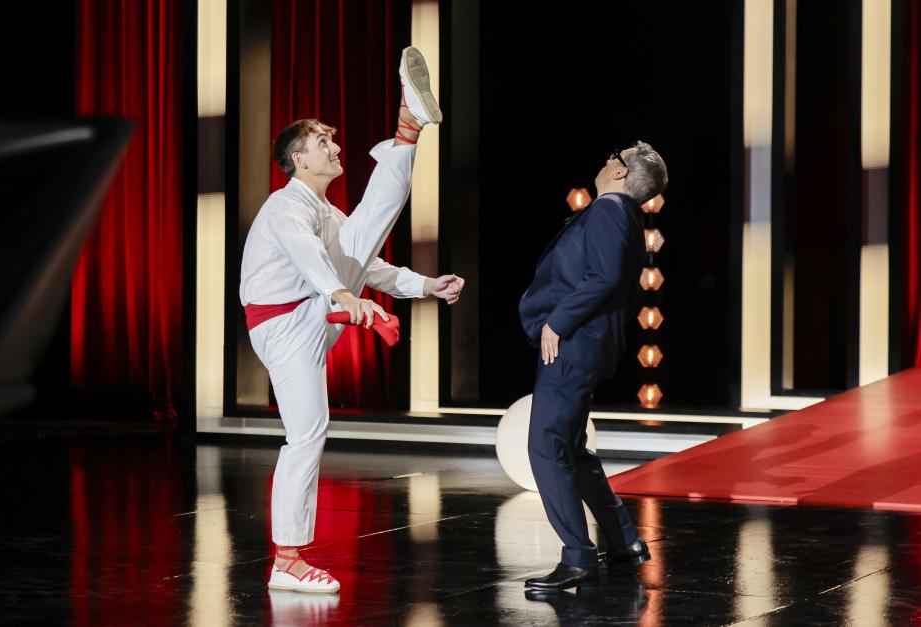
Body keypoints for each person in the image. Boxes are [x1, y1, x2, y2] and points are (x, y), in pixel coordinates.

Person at [239, 47, 464, 593]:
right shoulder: (284, 208)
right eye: (323, 142)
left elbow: (373, 266)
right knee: (307, 434)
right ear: (297, 158)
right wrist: (342, 292)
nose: (335, 147)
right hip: (286, 322)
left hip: (314, 313)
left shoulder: (328, 213)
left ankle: (408, 131)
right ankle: (287, 560)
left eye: (333, 140)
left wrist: (423, 286)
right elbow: (308, 258)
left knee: (361, 235)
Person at [518, 142, 668, 590]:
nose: (605, 161)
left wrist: (557, 324)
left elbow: (600, 278)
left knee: (546, 447)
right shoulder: (623, 216)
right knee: (574, 449)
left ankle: (578, 556)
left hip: (574, 344)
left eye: (613, 158)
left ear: (622, 174)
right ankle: (623, 541)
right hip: (589, 345)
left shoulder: (609, 210)